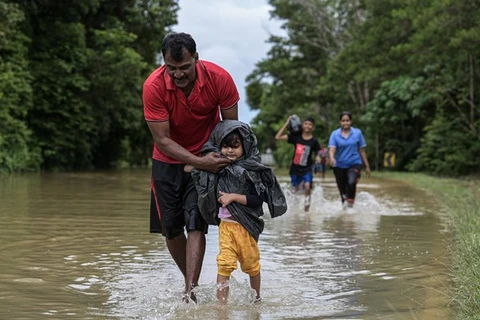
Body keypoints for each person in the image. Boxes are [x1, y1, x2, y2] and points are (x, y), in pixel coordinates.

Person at [142, 32, 239, 303]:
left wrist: (216, 163)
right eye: (171, 68)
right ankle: (191, 281)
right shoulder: (154, 86)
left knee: (196, 223)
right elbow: (162, 139)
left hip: (207, 157)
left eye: (184, 67)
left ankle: (189, 292)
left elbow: (231, 130)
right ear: (164, 63)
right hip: (167, 160)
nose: (178, 74)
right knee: (171, 228)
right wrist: (196, 162)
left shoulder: (220, 79)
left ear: (196, 58)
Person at [190, 120, 287, 304]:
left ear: (245, 146)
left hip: (246, 228)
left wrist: (233, 197)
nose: (230, 151)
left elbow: (258, 200)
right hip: (226, 227)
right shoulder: (218, 167)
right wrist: (196, 164)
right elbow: (194, 170)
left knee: (252, 265)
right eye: (226, 146)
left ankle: (257, 298)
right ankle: (221, 306)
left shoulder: (251, 170)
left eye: (235, 146)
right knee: (224, 263)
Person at [275, 116, 320, 211]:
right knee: (295, 190)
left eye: (310, 124)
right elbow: (277, 137)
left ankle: (306, 210)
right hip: (295, 169)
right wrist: (287, 123)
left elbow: (317, 153)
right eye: (306, 123)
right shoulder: (296, 138)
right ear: (302, 125)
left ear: (313, 127)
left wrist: (318, 158)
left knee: (307, 186)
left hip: (307, 168)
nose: (307, 126)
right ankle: (294, 210)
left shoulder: (314, 141)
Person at [328, 111, 371, 209]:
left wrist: (367, 166)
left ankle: (350, 206)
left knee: (351, 182)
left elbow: (362, 151)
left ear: (351, 121)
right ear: (340, 122)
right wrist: (332, 158)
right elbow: (332, 149)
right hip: (339, 165)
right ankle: (345, 209)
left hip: (355, 163)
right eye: (343, 121)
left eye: (347, 121)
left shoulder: (357, 133)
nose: (345, 123)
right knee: (342, 190)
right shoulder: (335, 134)